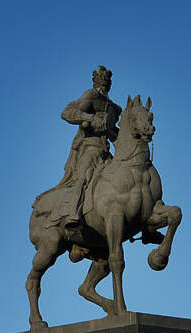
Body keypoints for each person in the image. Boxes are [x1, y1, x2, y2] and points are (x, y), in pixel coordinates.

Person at [44, 65, 122, 229]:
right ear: (96, 81)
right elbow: (67, 112)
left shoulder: (115, 108)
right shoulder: (91, 95)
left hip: (106, 152)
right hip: (90, 147)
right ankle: (73, 212)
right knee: (83, 177)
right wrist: (90, 118)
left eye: (107, 80)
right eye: (102, 79)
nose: (105, 83)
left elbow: (114, 132)